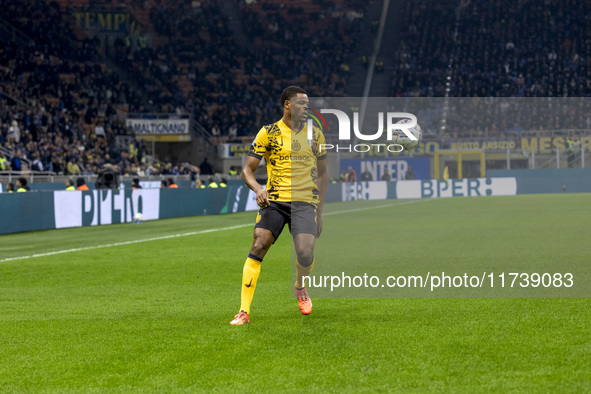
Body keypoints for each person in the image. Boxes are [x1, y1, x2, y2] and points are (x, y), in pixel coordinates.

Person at [230, 86, 328, 326]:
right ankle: (243, 311)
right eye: (302, 104)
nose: (307, 109)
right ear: (287, 105)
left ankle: (300, 286)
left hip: (305, 204)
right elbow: (247, 170)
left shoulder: (315, 134)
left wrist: (320, 211)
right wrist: (258, 189)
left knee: (306, 254)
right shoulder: (268, 132)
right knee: (259, 243)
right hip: (274, 201)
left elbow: (324, 174)